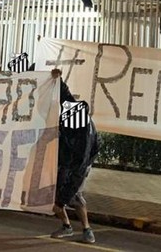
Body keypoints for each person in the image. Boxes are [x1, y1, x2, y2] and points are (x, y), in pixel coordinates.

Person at [50, 70, 99, 244]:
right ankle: (66, 226)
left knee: (74, 194)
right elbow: (63, 91)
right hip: (65, 158)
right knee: (55, 191)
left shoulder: (83, 138)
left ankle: (87, 229)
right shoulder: (71, 108)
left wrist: (61, 201)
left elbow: (78, 170)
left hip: (80, 163)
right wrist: (57, 77)